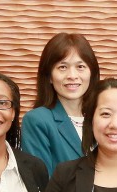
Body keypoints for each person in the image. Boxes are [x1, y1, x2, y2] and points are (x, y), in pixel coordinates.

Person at [22, 32, 100, 175]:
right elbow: (41, 182)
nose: (72, 76)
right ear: (49, 76)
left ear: (92, 73)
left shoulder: (102, 118)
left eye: (80, 67)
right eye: (62, 67)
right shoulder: (37, 120)